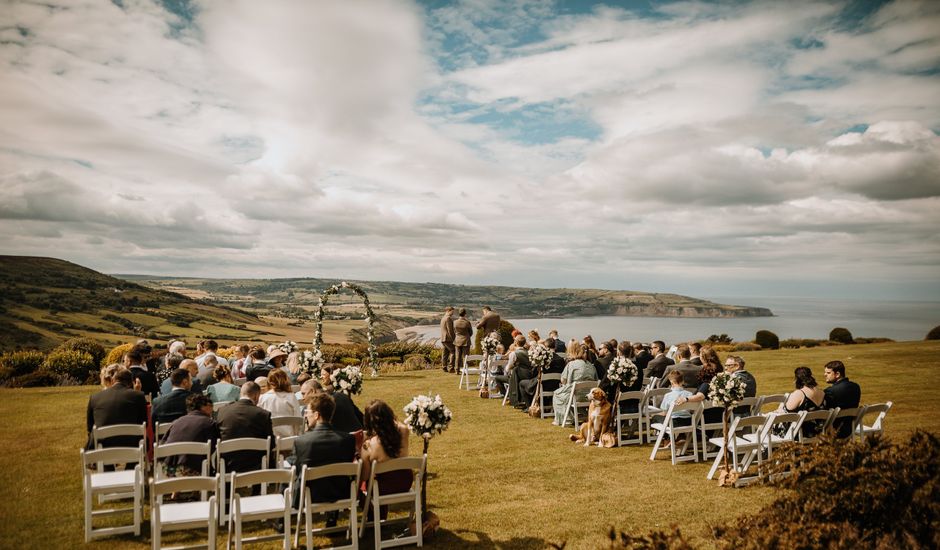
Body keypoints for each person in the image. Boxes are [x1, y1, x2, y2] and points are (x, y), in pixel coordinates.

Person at [292, 393, 356, 515]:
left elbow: (297, 470)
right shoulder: (348, 439)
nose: (306, 414)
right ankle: (333, 516)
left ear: (316, 415)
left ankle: (282, 522)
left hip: (312, 494)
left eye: (308, 411)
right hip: (342, 492)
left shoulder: (302, 441)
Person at [216, 382, 276, 473]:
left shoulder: (222, 411)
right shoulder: (263, 414)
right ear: (256, 396)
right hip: (257, 466)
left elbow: (217, 438)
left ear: (241, 394)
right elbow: (271, 443)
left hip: (228, 464)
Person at [360, 400, 412, 499]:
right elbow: (399, 425)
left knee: (365, 486)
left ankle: (374, 514)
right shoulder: (404, 432)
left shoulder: (368, 446)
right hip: (405, 483)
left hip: (382, 488)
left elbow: (364, 476)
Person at [86, 367, 147, 450]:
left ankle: (107, 463)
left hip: (102, 445)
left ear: (113, 380)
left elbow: (90, 427)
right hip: (132, 445)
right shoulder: (138, 396)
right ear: (130, 384)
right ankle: (133, 463)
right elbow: (144, 422)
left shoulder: (95, 397)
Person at [159, 393, 219, 477]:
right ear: (204, 406)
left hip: (167, 471)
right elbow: (213, 449)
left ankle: (176, 489)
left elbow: (162, 445)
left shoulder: (177, 422)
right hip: (194, 471)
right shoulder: (209, 423)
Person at [551, 342, 598, 426]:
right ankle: (577, 416)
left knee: (557, 394)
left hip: (576, 395)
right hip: (589, 396)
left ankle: (565, 419)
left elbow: (563, 380)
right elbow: (596, 380)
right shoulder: (592, 366)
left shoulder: (571, 364)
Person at [777, 366, 825, 437]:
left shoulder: (800, 393)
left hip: (799, 433)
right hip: (816, 431)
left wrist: (781, 407)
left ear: (797, 379)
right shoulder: (822, 392)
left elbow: (788, 409)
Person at [319, 365, 364, 433]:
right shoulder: (342, 391)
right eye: (320, 374)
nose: (321, 377)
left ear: (331, 375)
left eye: (323, 374)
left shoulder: (327, 392)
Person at [258, 369, 302, 438]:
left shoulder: (262, 398)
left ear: (269, 382)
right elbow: (298, 420)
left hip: (270, 441)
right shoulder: (291, 397)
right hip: (290, 439)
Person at [823, 360, 861, 438]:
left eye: (828, 373)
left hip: (834, 429)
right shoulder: (856, 387)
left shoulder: (830, 391)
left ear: (837, 374)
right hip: (850, 428)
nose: (825, 375)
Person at [503, 335, 533, 408]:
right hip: (530, 374)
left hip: (519, 375)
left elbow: (509, 366)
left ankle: (514, 399)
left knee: (511, 375)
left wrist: (506, 371)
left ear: (515, 342)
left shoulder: (514, 353)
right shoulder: (529, 352)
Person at [453, 308, 473, 373]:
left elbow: (454, 331)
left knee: (457, 356)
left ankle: (457, 370)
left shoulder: (455, 322)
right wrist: (467, 335)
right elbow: (471, 332)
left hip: (457, 340)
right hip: (466, 341)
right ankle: (465, 370)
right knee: (466, 357)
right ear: (465, 314)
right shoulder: (467, 322)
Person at [440, 306, 456, 373]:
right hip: (448, 339)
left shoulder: (443, 318)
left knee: (445, 353)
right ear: (449, 311)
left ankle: (444, 367)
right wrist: (454, 339)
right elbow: (450, 331)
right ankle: (451, 368)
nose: (453, 313)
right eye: (452, 311)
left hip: (443, 338)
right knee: (453, 351)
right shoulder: (448, 318)